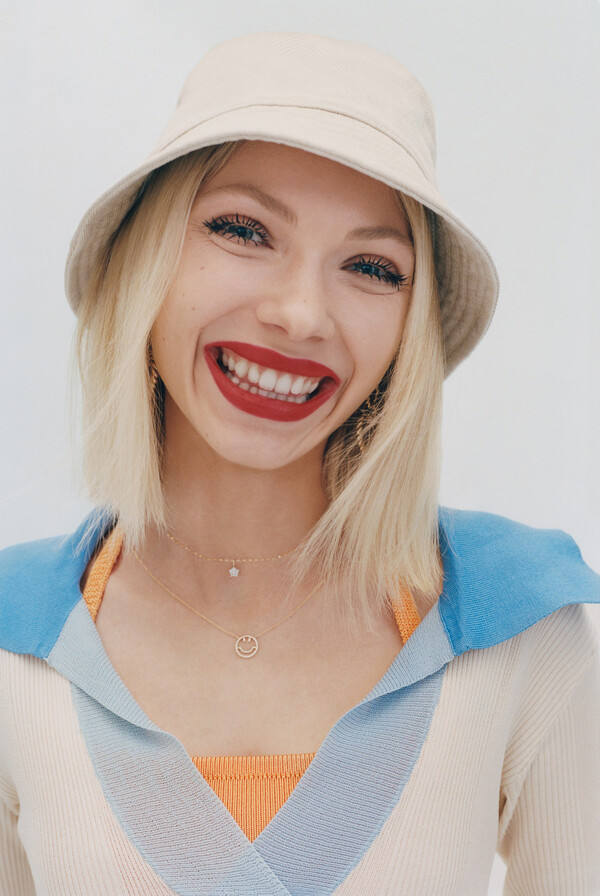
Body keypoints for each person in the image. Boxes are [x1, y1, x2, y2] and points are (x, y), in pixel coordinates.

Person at [0, 31, 598, 896]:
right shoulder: (16, 642)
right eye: (243, 230)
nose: (301, 314)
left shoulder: (521, 624)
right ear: (147, 259)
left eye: (372, 267)